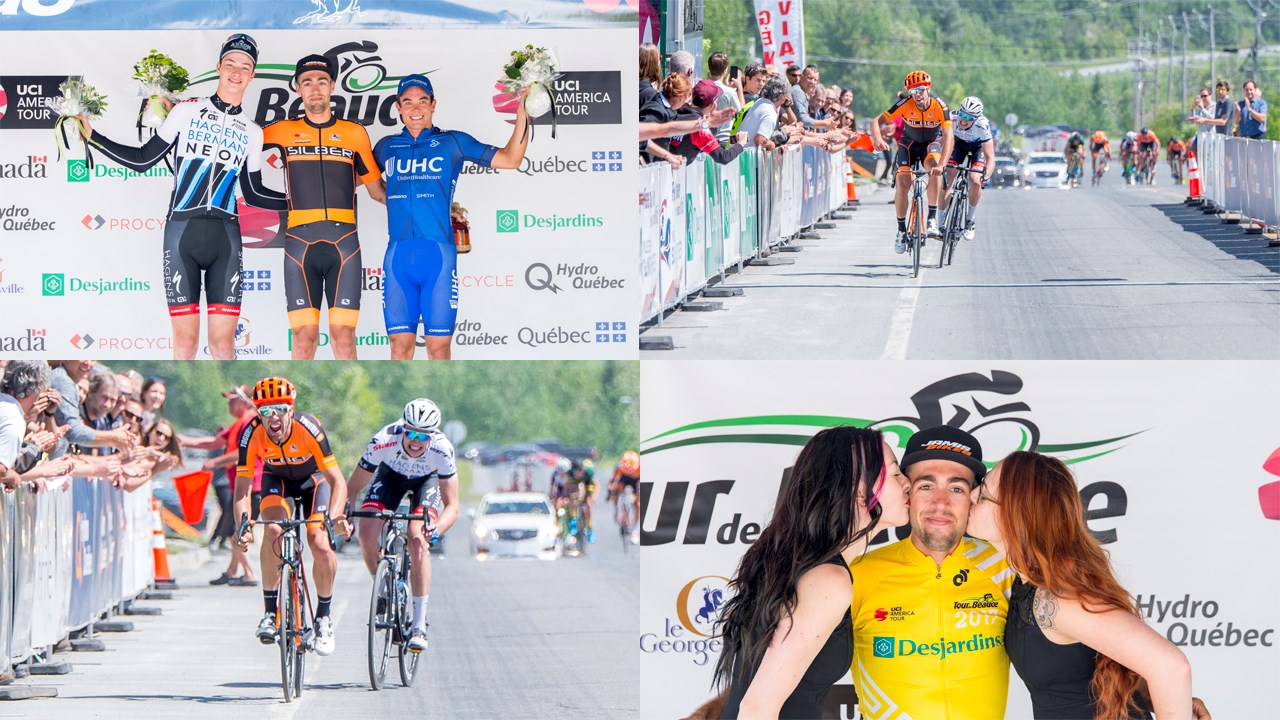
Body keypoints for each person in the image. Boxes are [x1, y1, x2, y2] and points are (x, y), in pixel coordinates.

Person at [80, 34, 287, 360]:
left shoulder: (252, 132)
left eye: (245, 67)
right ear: (218, 67)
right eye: (230, 64)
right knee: (186, 346)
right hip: (181, 234)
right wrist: (93, 137)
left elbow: (254, 192)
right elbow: (143, 159)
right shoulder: (186, 111)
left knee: (223, 346)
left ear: (252, 75)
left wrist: (299, 202)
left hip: (225, 239)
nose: (236, 72)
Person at [966, 452, 1194, 719]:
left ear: (1014, 515)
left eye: (983, 493)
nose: (971, 495)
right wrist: (1157, 699)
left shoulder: (1059, 600)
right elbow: (1090, 668)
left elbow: (1170, 667)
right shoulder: (1028, 581)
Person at [712, 427, 909, 719]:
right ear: (858, 491)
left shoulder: (802, 565)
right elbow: (756, 708)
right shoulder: (829, 581)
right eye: (894, 473)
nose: (907, 482)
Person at [372, 73, 530, 360]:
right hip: (398, 257)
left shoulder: (452, 142)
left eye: (422, 101)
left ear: (433, 104)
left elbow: (511, 159)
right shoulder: (386, 147)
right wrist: (397, 202)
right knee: (398, 347)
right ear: (398, 107)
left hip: (438, 257)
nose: (415, 108)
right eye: (408, 102)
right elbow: (366, 186)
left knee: (439, 347)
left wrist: (524, 111)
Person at [262, 54, 385, 360]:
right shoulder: (279, 131)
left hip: (344, 245)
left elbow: (378, 192)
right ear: (297, 88)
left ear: (332, 86)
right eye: (307, 83)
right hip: (299, 244)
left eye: (321, 82)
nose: (315, 89)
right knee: (303, 339)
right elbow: (235, 142)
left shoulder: (354, 133)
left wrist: (437, 205)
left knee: (344, 338)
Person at [235, 377, 351, 655]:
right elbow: (242, 488)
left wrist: (334, 517)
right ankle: (270, 613)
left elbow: (337, 481)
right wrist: (243, 525)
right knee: (273, 531)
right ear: (258, 412)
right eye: (265, 411)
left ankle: (323, 618)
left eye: (280, 409)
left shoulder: (308, 428)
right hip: (278, 482)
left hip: (314, 482)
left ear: (291, 409)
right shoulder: (251, 433)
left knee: (319, 542)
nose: (273, 417)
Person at [346, 398, 458, 653]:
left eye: (423, 436)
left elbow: (453, 506)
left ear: (432, 436)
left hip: (427, 482)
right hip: (391, 478)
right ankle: (383, 589)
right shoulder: (383, 439)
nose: (416, 441)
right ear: (402, 428)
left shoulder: (442, 449)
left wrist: (436, 529)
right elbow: (352, 489)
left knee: (417, 541)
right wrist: (347, 517)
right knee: (366, 533)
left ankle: (418, 625)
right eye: (411, 433)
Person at [180, 384, 259, 585]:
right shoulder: (239, 424)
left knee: (235, 530)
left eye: (232, 401)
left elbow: (243, 452)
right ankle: (232, 571)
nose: (229, 405)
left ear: (244, 402)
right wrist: (185, 441)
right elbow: (214, 442)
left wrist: (215, 462)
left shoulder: (250, 422)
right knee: (234, 529)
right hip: (240, 485)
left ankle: (249, 573)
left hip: (250, 487)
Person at [869, 71, 953, 254]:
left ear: (928, 89)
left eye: (921, 89)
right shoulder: (905, 104)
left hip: (931, 144)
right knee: (902, 184)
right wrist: (877, 139)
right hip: (909, 145)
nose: (917, 94)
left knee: (934, 168)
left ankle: (931, 219)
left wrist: (942, 164)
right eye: (913, 91)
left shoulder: (940, 106)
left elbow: (949, 136)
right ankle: (901, 231)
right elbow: (876, 121)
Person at [0, 362, 74, 491]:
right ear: (35, 389)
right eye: (44, 390)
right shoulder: (13, 418)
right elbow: (1, 468)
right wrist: (11, 477)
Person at [940, 96, 994, 241]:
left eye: (969, 118)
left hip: (977, 148)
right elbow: (940, 141)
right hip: (958, 145)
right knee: (948, 174)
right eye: (962, 115)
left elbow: (990, 157)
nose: (963, 120)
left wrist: (986, 175)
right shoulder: (951, 118)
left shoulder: (982, 126)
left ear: (976, 119)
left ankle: (970, 220)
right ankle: (940, 219)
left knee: (975, 180)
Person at [668, 81, 748, 166]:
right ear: (713, 105)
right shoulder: (701, 128)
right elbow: (723, 157)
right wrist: (740, 143)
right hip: (676, 172)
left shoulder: (676, 111)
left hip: (662, 168)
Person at [565, 458, 598, 543]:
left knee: (588, 503)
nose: (577, 474)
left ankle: (589, 528)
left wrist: (592, 496)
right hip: (575, 483)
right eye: (575, 472)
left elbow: (595, 485)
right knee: (572, 498)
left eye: (579, 472)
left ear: (582, 470)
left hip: (587, 482)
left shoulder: (588, 473)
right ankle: (573, 520)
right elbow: (567, 486)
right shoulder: (570, 473)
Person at [608, 450, 641, 534]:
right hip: (624, 479)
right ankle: (616, 509)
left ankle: (635, 528)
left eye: (631, 469)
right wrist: (610, 492)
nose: (629, 471)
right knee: (616, 490)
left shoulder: (640, 468)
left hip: (636, 480)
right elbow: (612, 481)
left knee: (638, 504)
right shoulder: (620, 467)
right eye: (627, 469)